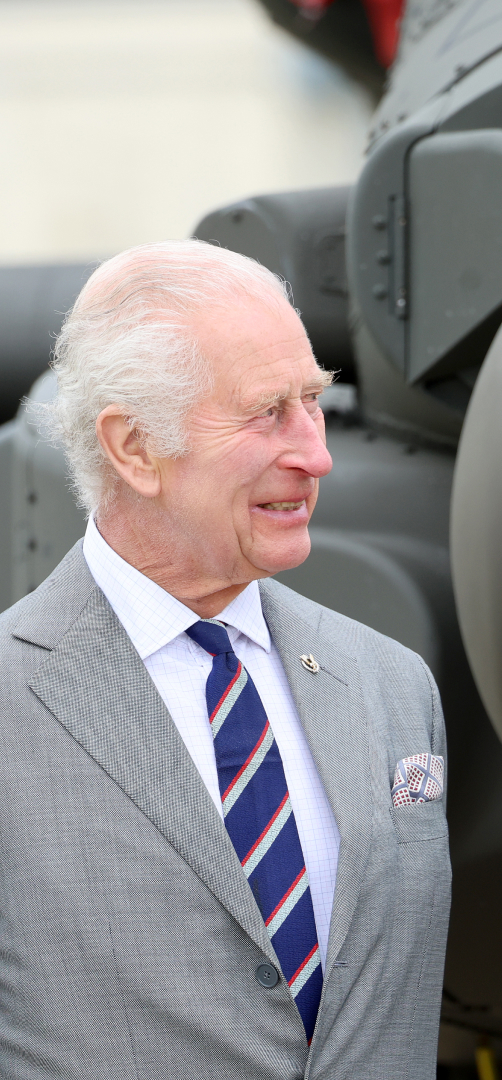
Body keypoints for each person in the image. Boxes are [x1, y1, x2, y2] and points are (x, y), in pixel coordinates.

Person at [0, 240, 449, 1079]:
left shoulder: (392, 686)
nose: (314, 453)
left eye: (313, 401)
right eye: (266, 413)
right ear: (134, 448)